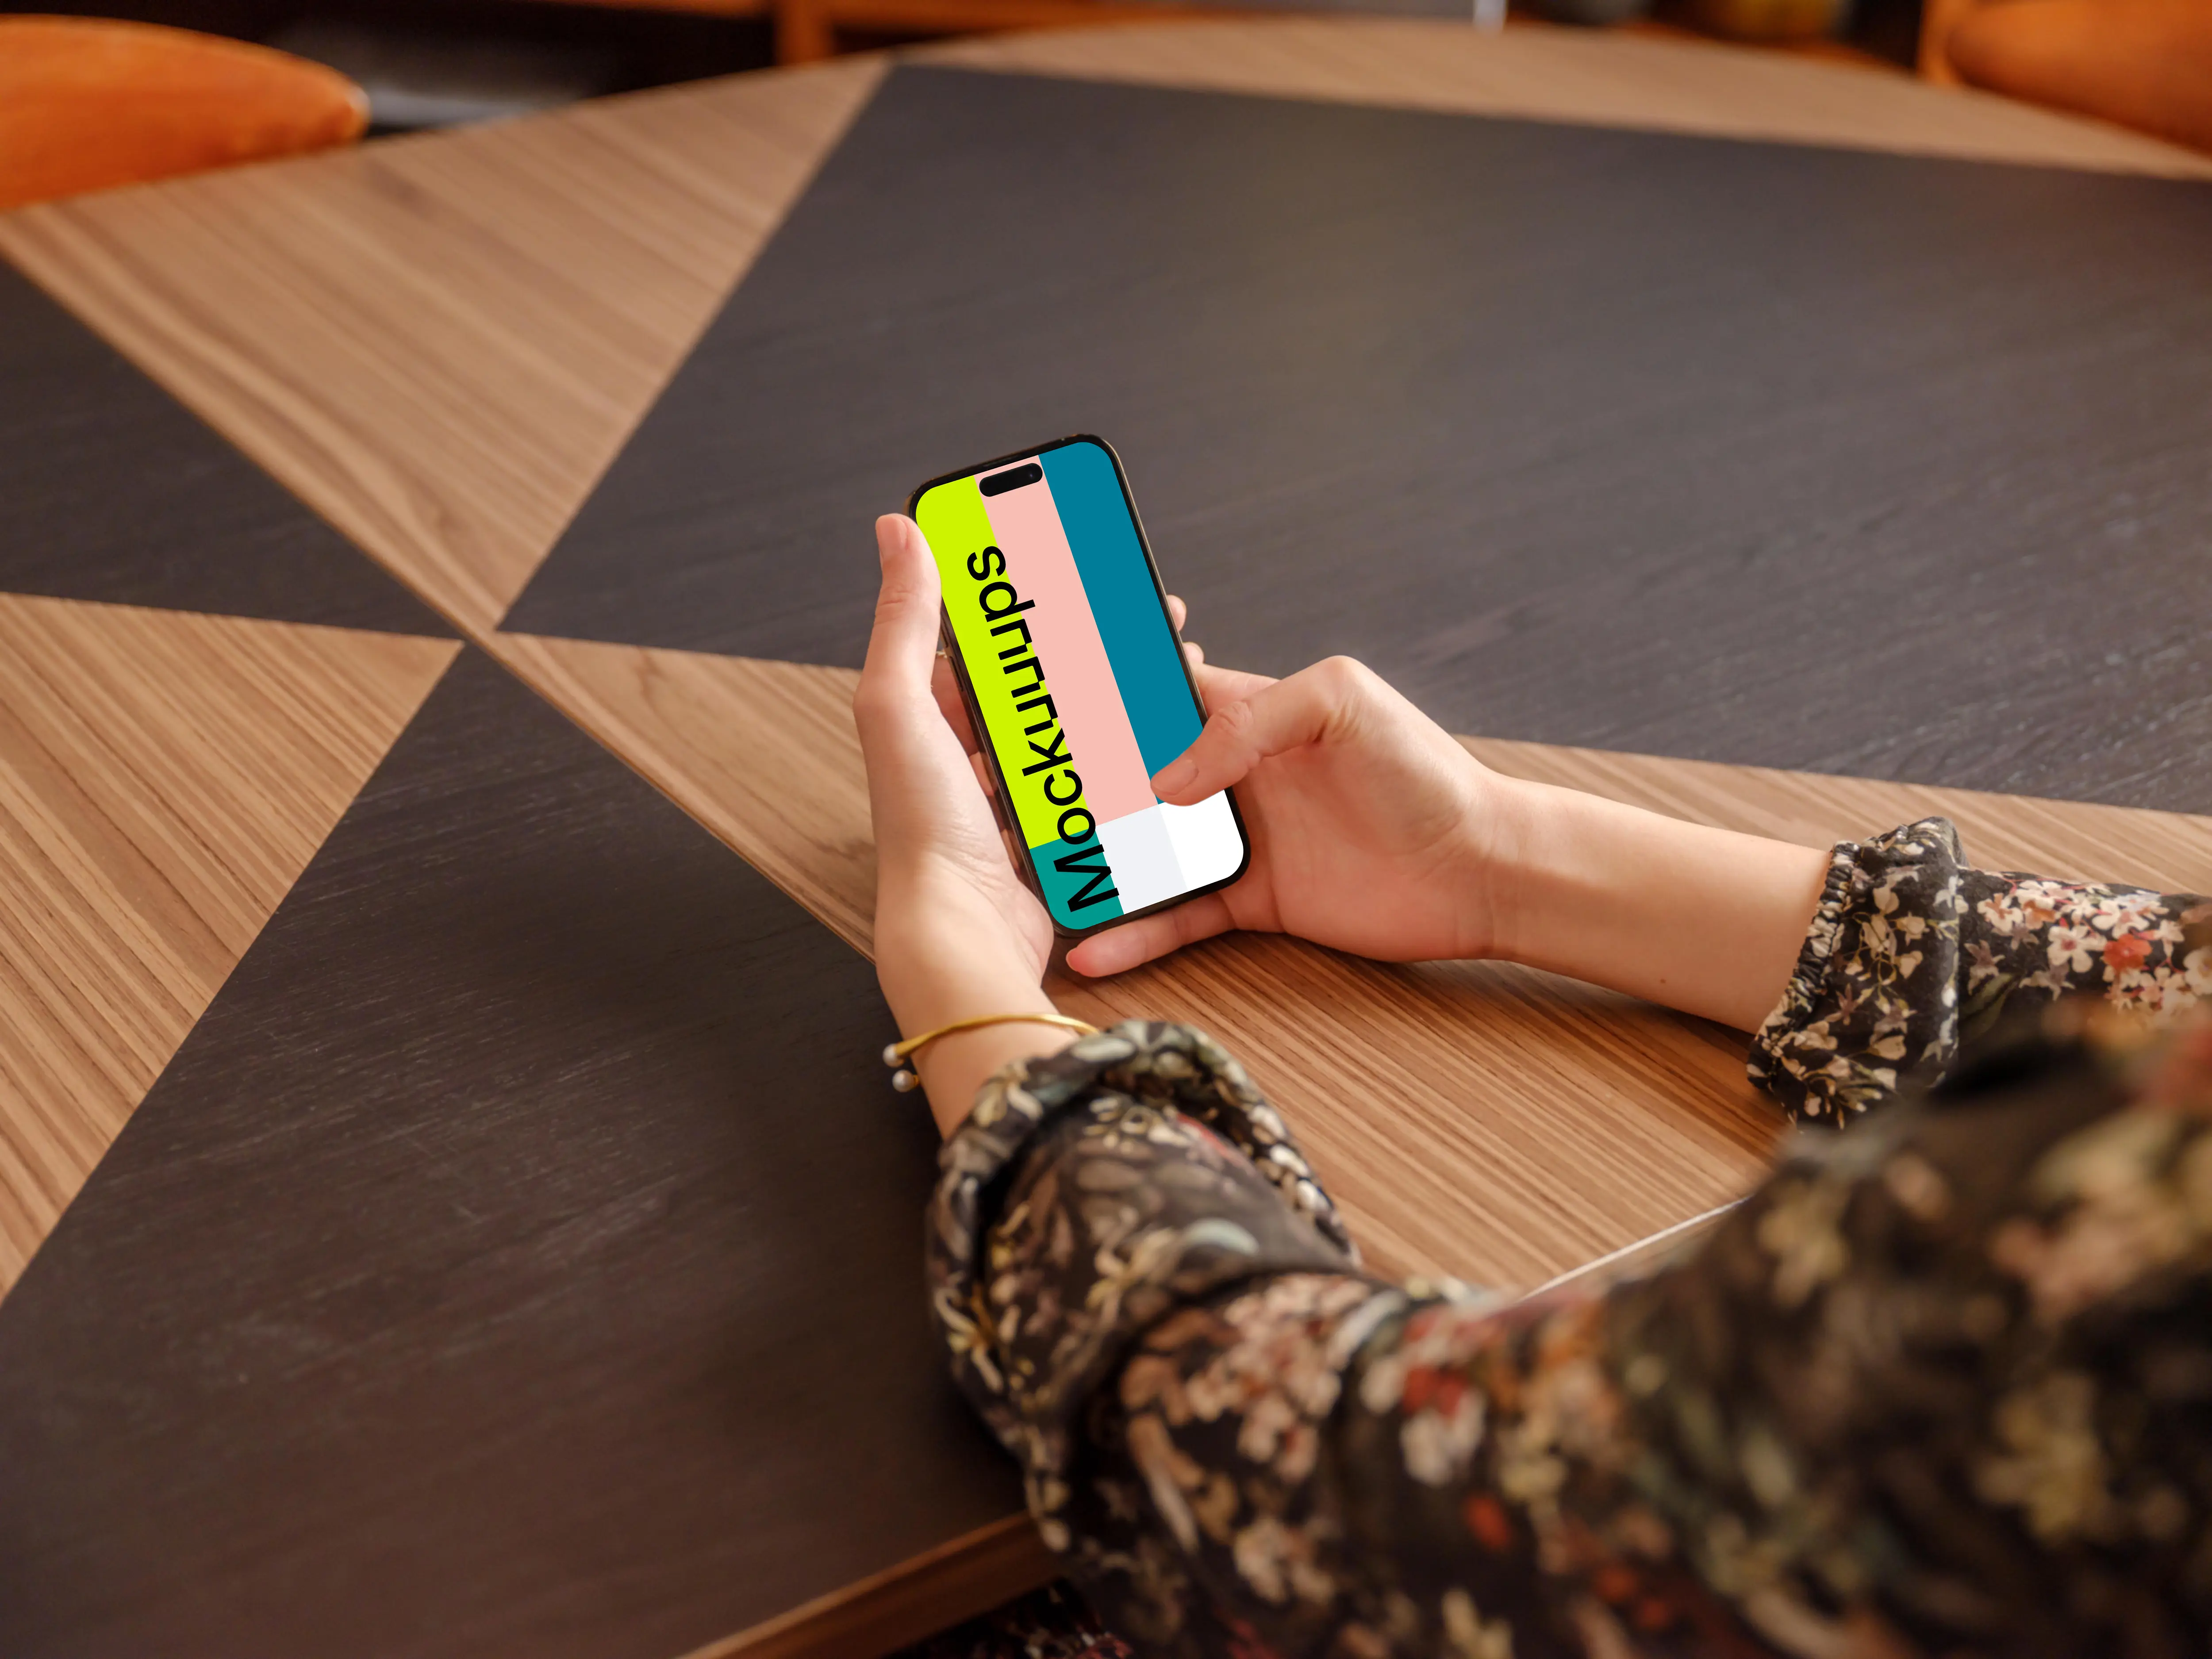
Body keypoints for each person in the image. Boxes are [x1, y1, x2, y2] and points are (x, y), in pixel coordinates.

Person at [854, 513, 2212, 1658]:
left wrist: (961, 960)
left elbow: (1326, 1501)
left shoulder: (2092, 1293)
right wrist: (1494, 858)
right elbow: (2146, 981)